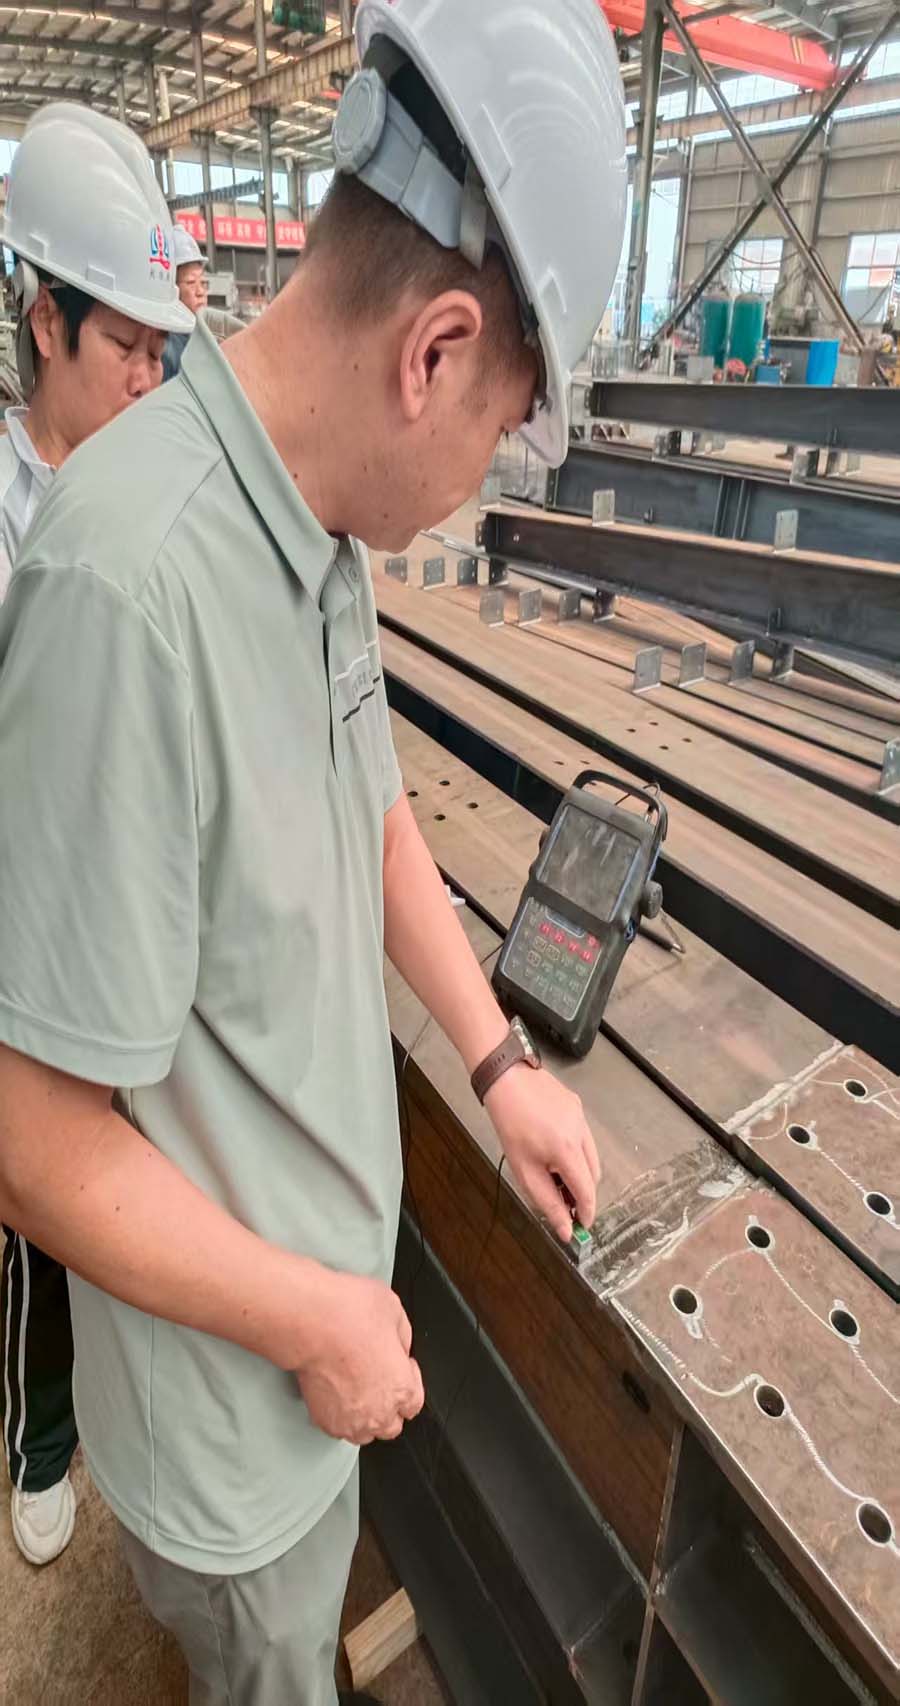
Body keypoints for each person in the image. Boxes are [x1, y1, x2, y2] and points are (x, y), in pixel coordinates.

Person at [0, 0, 626, 1698]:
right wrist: (321, 1319)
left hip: (305, 1338)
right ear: (433, 352)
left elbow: (374, 803)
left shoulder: (314, 524)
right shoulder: (126, 591)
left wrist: (497, 1063)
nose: (479, 481)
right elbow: (34, 1141)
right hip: (235, 1417)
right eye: (501, 429)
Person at [0, 103, 192, 1567]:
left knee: (127, 1186)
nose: (150, 374)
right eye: (125, 343)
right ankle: (41, 1438)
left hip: (120, 892)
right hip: (26, 915)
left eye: (164, 348)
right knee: (38, 1213)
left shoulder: (154, 484)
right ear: (44, 320)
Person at [161, 224, 208, 381]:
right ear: (172, 288)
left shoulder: (198, 336)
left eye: (203, 282)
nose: (200, 292)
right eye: (191, 282)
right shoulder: (166, 350)